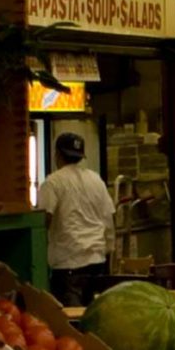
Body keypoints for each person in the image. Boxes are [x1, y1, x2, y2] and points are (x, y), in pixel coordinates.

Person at [38, 131, 112, 305]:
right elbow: (109, 219)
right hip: (97, 263)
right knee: (93, 318)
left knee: (71, 323)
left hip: (68, 265)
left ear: (57, 154)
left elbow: (44, 220)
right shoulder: (96, 180)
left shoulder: (52, 183)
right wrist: (108, 250)